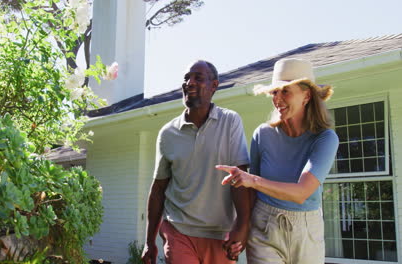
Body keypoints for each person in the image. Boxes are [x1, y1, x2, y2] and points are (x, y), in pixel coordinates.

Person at [216, 58, 339, 264]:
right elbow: (251, 192)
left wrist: (252, 180)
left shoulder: (325, 138)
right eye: (274, 92)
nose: (277, 99)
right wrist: (240, 228)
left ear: (306, 96)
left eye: (285, 91)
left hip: (307, 231)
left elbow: (301, 193)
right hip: (265, 226)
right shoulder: (262, 134)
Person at [141, 60, 254, 264]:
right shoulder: (168, 133)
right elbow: (158, 189)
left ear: (214, 86)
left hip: (221, 236)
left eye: (198, 78)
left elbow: (240, 179)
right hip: (179, 232)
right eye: (186, 78)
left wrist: (242, 227)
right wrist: (149, 241)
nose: (189, 83)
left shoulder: (230, 122)